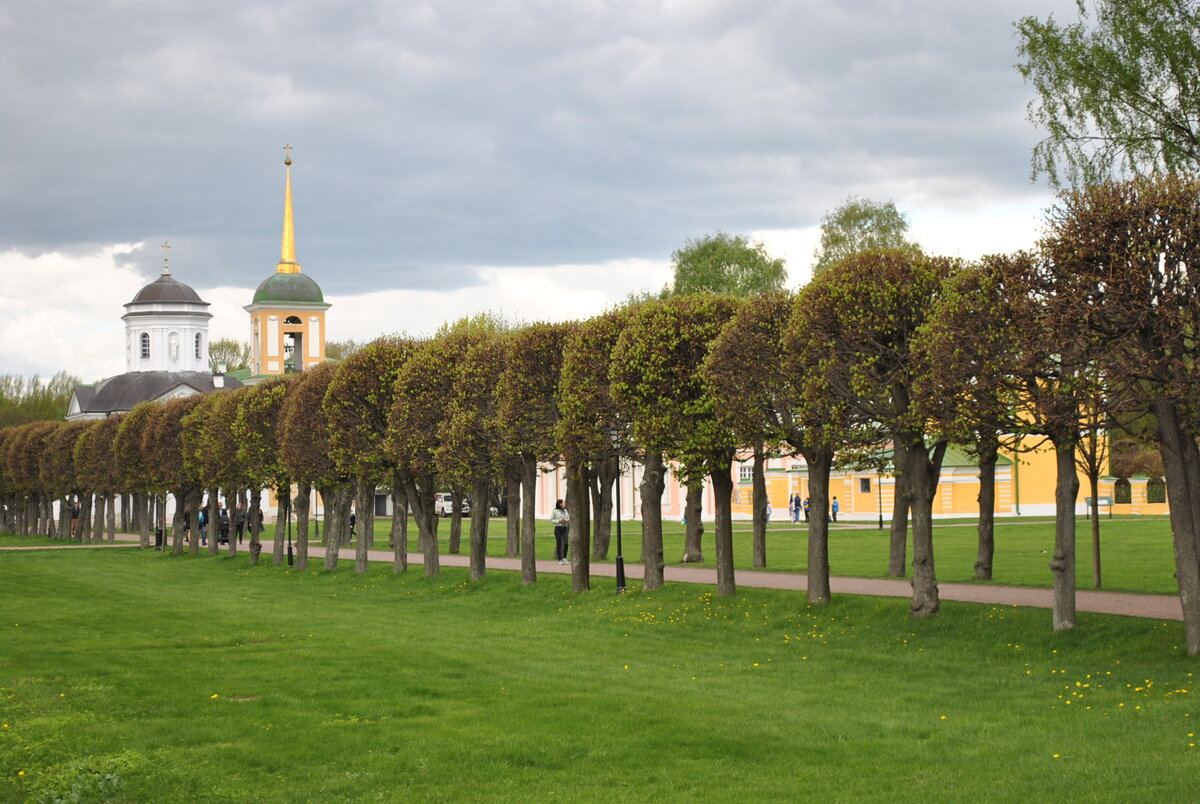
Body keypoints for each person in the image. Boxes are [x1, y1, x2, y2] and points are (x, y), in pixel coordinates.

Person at [551, 499, 570, 564]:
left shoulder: (565, 511)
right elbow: (551, 519)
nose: (564, 504)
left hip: (565, 528)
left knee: (566, 543)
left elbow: (568, 518)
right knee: (559, 543)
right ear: (560, 504)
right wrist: (558, 521)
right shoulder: (555, 511)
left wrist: (567, 521)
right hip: (558, 528)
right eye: (563, 503)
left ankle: (564, 558)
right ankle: (560, 559)